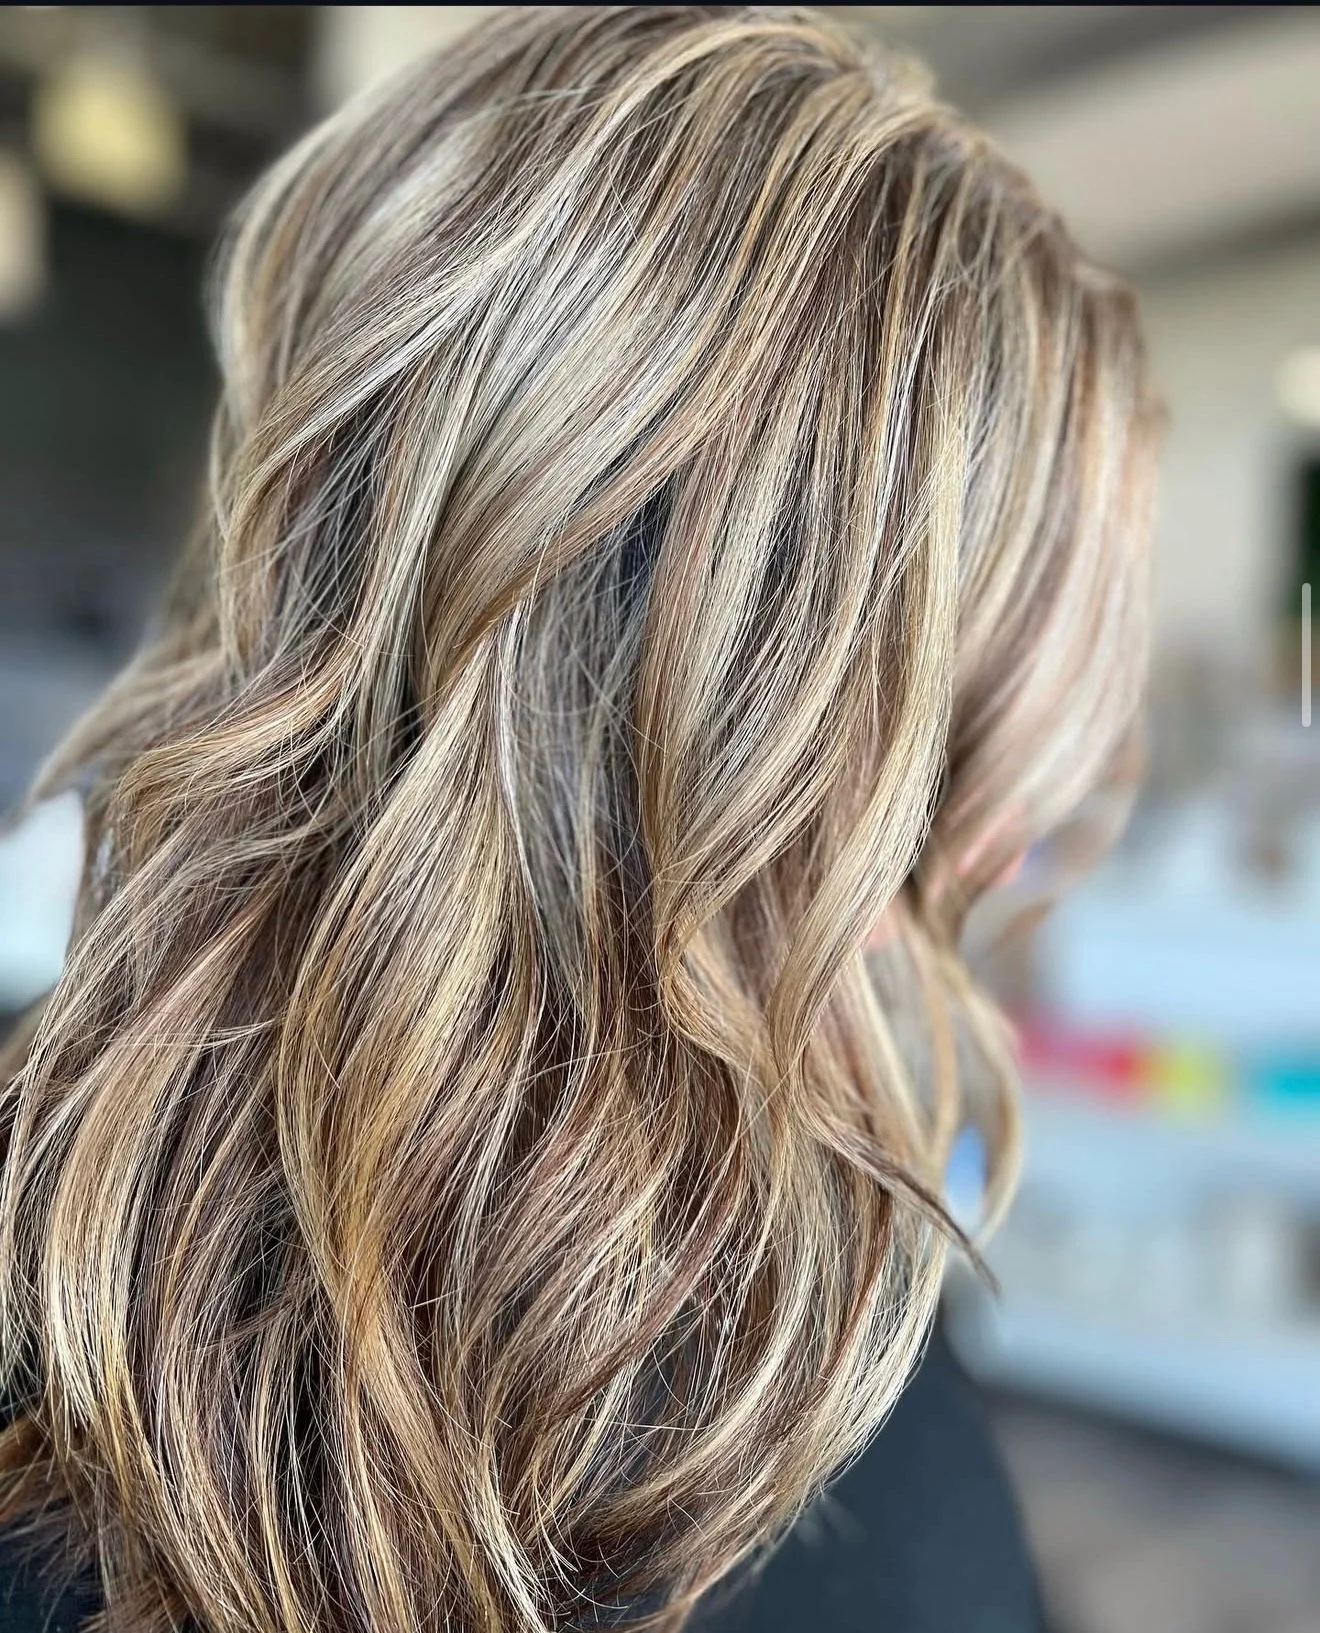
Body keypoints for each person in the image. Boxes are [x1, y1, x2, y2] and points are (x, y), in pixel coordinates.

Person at [0, 7, 1157, 1631]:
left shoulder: (50, 1214)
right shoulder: (874, 1500)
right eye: (979, 787)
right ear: (848, 785)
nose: (1004, 856)